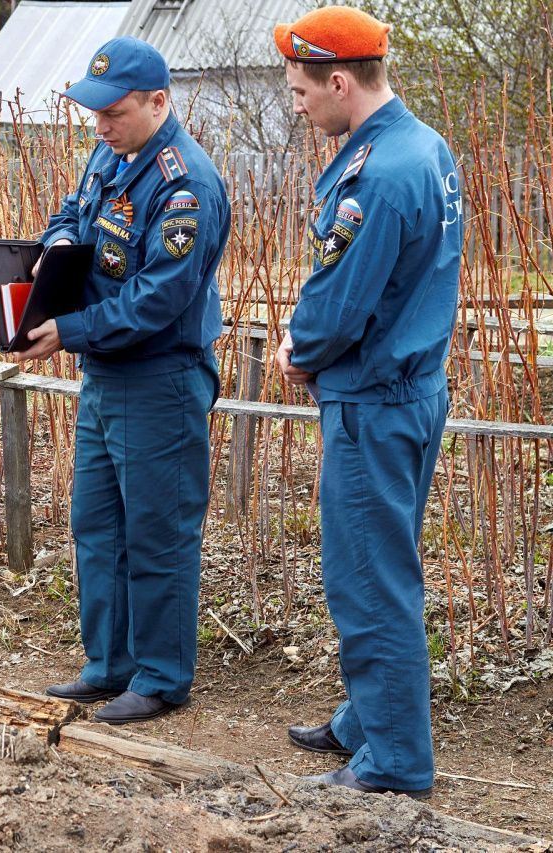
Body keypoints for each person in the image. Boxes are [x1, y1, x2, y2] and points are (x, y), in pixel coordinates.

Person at [271, 7, 462, 799]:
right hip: (413, 389)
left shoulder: (377, 174)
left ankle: (392, 760)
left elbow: (339, 301)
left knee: (369, 579)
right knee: (387, 561)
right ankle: (366, 716)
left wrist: (296, 347)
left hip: (373, 401)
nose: (296, 104)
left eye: (300, 90)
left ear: (340, 81)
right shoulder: (427, 147)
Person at [14, 37, 229, 724]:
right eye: (93, 111)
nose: (100, 125)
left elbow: (158, 299)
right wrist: (53, 252)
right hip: (105, 375)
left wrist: (69, 330)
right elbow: (72, 216)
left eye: (114, 111)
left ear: (158, 101)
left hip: (158, 377)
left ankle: (162, 676)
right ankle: (109, 663)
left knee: (158, 532)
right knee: (97, 525)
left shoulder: (185, 183)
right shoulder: (110, 153)